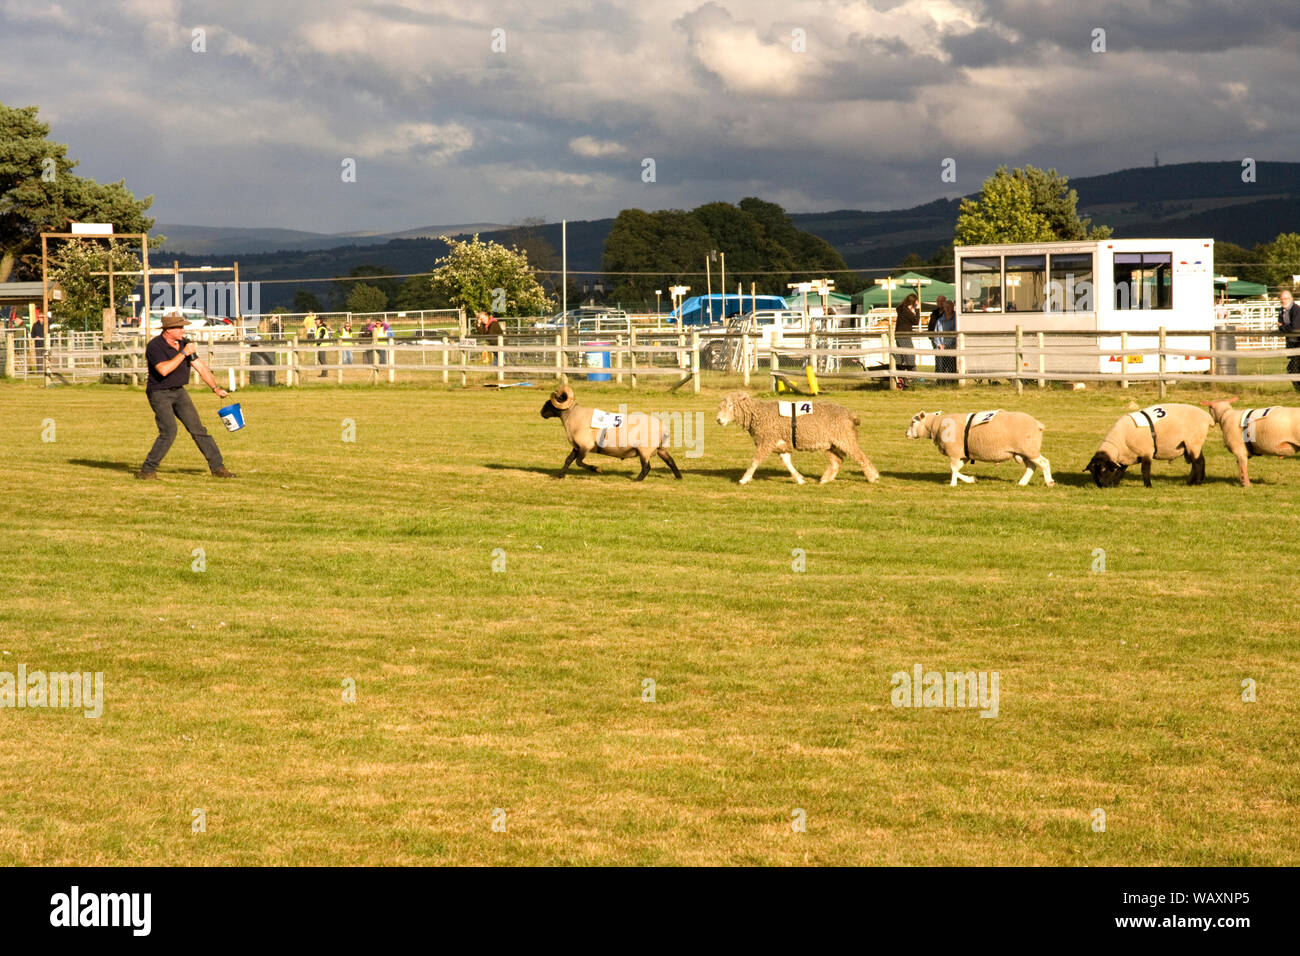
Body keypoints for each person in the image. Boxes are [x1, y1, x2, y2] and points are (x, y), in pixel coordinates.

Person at [138, 313, 235, 479]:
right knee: (169, 431)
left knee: (198, 429)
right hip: (159, 393)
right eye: (179, 327)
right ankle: (147, 470)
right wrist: (183, 353)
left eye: (183, 327)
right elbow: (163, 370)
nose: (183, 330)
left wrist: (215, 388)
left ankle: (218, 468)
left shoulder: (184, 344)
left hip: (179, 392)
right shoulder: (155, 346)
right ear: (168, 330)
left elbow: (200, 366)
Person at [929, 295, 957, 385]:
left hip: (952, 346)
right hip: (940, 346)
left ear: (952, 308)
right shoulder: (940, 320)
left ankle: (952, 381)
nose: (947, 309)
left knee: (951, 365)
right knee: (940, 365)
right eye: (946, 307)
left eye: (949, 307)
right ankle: (941, 381)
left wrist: (947, 345)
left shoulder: (956, 319)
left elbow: (955, 333)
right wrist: (939, 344)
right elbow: (936, 333)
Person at [893, 293, 919, 389]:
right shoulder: (905, 311)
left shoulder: (902, 309)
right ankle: (916, 378)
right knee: (910, 356)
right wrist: (918, 309)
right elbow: (916, 321)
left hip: (900, 336)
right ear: (914, 302)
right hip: (904, 336)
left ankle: (902, 378)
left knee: (901, 358)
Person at [1277, 289, 1300, 385]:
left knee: (1294, 368)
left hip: (1298, 342)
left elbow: (1295, 328)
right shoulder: (1282, 311)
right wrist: (1283, 327)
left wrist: (1282, 327)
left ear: (1291, 299)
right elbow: (1281, 326)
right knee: (1292, 368)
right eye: (1282, 299)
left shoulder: (1297, 310)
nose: (1283, 301)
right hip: (1292, 343)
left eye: (1286, 299)